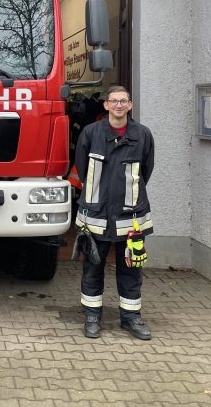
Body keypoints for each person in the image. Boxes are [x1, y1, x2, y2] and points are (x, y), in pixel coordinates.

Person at [73, 85, 155, 340]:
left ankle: (131, 318)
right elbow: (81, 165)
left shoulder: (142, 135)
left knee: (131, 268)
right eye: (114, 101)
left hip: (130, 217)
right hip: (96, 215)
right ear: (106, 105)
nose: (119, 105)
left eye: (123, 101)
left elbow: (146, 171)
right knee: (92, 268)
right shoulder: (91, 133)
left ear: (130, 105)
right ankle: (92, 316)